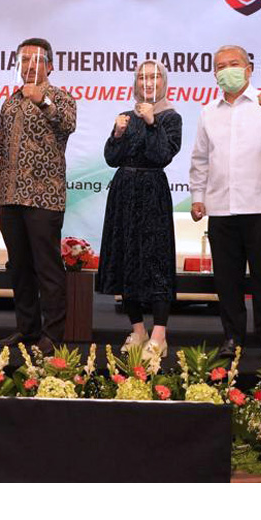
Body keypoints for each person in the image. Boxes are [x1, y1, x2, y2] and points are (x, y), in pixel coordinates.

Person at [190, 45, 261, 358]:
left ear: (249, 69)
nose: (227, 71)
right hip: (221, 208)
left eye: (233, 64)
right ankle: (232, 337)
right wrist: (198, 197)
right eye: (220, 66)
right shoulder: (209, 111)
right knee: (227, 279)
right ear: (214, 75)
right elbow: (200, 158)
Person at [0, 38, 77, 354]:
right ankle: (27, 329)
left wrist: (42, 101)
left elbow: (67, 125)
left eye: (36, 60)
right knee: (19, 267)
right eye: (23, 60)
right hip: (11, 195)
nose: (29, 66)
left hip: (44, 197)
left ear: (50, 66)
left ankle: (53, 334)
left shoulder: (61, 98)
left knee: (47, 268)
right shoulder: (10, 102)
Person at [96, 60, 181, 361]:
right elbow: (111, 158)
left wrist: (152, 123)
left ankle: (160, 335)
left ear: (163, 81)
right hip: (124, 194)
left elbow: (162, 155)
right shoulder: (126, 116)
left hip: (152, 193)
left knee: (156, 262)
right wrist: (117, 134)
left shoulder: (171, 117)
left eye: (154, 77)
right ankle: (138, 330)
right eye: (142, 77)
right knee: (126, 259)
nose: (148, 82)